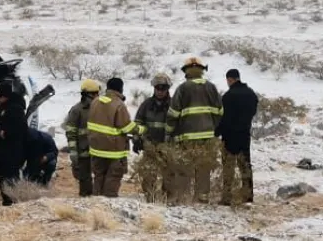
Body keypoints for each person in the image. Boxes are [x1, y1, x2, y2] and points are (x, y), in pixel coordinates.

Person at [164, 57, 223, 204]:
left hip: (187, 137)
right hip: (208, 136)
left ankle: (183, 197)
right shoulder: (211, 88)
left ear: (186, 71)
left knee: (185, 167)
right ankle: (202, 197)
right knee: (203, 167)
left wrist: (169, 132)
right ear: (202, 71)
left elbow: (173, 114)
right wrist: (213, 129)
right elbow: (219, 112)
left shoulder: (183, 88)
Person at [87, 77, 135, 198]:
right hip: (114, 153)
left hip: (96, 150)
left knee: (98, 179)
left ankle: (96, 208)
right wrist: (141, 129)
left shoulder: (95, 102)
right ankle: (108, 208)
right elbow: (127, 127)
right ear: (121, 89)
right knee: (112, 180)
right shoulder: (119, 105)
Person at [217, 68, 258, 206]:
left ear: (230, 79)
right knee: (245, 166)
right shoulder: (251, 94)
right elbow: (253, 112)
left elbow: (224, 118)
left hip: (229, 137)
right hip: (244, 135)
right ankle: (248, 197)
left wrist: (216, 132)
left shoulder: (228, 96)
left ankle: (227, 198)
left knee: (228, 168)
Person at [133, 72, 174, 203]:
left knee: (169, 176)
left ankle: (167, 201)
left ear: (168, 88)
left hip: (168, 146)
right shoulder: (146, 105)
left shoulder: (174, 105)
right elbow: (138, 123)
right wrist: (136, 140)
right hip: (149, 145)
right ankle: (150, 200)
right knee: (148, 175)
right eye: (158, 88)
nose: (160, 91)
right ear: (154, 88)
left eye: (163, 88)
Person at [63, 79, 101, 196]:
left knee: (100, 181)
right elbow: (71, 133)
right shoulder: (76, 110)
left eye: (97, 93)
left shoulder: (100, 108)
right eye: (93, 94)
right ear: (86, 94)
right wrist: (73, 152)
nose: (96, 96)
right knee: (85, 181)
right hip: (82, 153)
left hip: (97, 152)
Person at [0, 80, 27, 206]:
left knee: (11, 176)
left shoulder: (15, 108)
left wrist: (5, 133)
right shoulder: (4, 107)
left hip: (12, 148)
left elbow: (21, 128)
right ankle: (7, 200)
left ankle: (12, 200)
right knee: (3, 175)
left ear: (5, 96)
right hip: (3, 148)